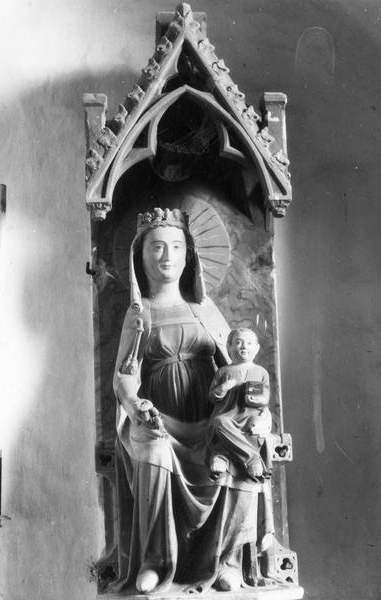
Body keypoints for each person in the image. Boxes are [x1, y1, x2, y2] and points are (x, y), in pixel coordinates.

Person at [112, 207, 266, 594]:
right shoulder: (139, 314)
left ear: (189, 255)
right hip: (161, 421)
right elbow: (125, 375)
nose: (167, 257)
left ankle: (229, 560)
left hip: (211, 423)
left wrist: (256, 416)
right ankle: (154, 561)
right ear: (139, 256)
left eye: (177, 247)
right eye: (157, 247)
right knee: (154, 450)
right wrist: (136, 407)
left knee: (240, 452)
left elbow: (239, 368)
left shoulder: (205, 310)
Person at [206, 328, 273, 481]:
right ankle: (250, 458)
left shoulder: (261, 372)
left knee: (255, 425)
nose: (244, 347)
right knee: (219, 423)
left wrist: (258, 400)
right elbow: (212, 397)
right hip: (228, 415)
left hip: (251, 415)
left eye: (249, 343)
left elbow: (266, 396)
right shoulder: (223, 372)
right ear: (229, 347)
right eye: (238, 342)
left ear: (256, 349)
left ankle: (223, 455)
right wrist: (224, 387)